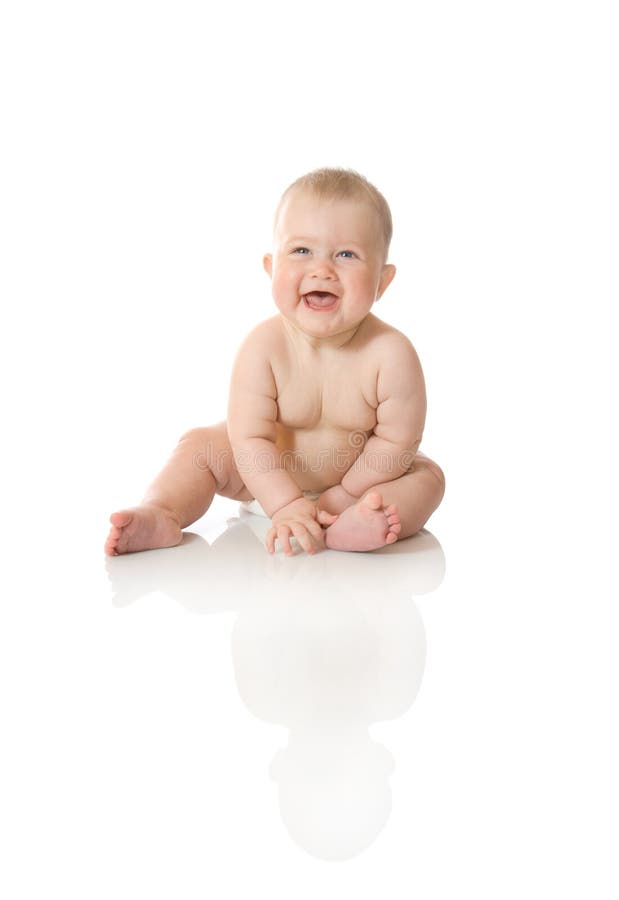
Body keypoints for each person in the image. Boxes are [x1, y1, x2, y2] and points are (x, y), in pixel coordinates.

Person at [105, 168, 445, 558]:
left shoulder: (391, 353)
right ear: (271, 268)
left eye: (347, 255)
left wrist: (346, 495)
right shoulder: (263, 347)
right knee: (200, 446)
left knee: (427, 477)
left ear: (382, 282)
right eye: (301, 251)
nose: (322, 269)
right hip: (263, 479)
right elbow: (249, 439)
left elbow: (397, 442)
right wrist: (284, 505)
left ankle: (362, 523)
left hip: (361, 485)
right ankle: (161, 512)